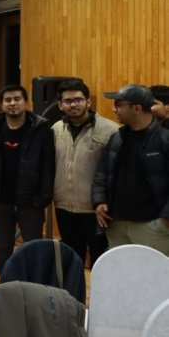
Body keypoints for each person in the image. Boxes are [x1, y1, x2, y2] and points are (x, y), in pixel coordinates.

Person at [0, 84, 54, 276]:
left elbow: (48, 168)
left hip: (31, 203)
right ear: (1, 105)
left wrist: (42, 198)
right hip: (0, 201)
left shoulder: (42, 131)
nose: (12, 103)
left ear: (26, 102)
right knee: (3, 247)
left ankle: (34, 288)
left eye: (17, 99)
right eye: (7, 100)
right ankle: (7, 286)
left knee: (34, 247)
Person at [93, 85, 169, 255]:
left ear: (137, 108)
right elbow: (101, 173)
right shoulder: (116, 138)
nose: (114, 109)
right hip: (116, 224)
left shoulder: (165, 139)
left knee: (155, 278)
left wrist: (165, 219)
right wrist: (99, 201)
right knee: (122, 278)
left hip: (152, 226)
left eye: (119, 105)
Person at [52, 79, 115, 265]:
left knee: (100, 260)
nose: (73, 105)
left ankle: (99, 295)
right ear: (60, 105)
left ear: (88, 102)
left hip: (96, 210)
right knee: (71, 261)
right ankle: (74, 295)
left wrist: (105, 201)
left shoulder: (110, 129)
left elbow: (113, 172)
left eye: (78, 100)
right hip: (64, 207)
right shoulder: (55, 129)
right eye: (68, 101)